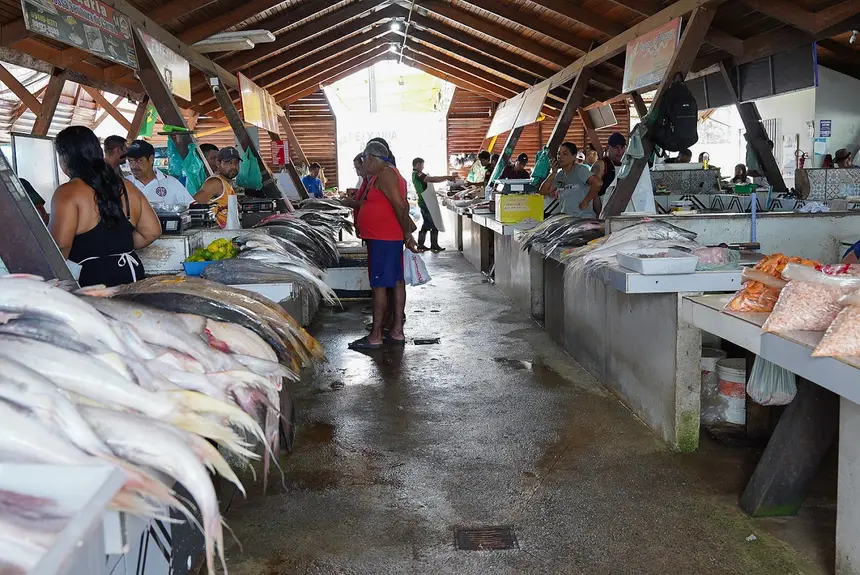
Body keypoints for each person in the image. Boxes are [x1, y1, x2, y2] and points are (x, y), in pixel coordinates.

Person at [49, 126, 160, 287]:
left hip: (92, 283)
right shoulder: (127, 186)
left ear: (65, 157)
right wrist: (116, 248)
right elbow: (152, 232)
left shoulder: (68, 192)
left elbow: (60, 246)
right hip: (131, 275)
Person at [349, 141, 418, 350]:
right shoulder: (378, 176)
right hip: (385, 239)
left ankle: (376, 335)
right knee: (394, 282)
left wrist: (407, 233)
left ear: (372, 158)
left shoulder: (386, 174)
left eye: (364, 160)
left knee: (380, 286)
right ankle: (395, 331)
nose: (363, 164)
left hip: (385, 239)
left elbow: (400, 205)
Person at [539, 142, 602, 218]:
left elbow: (598, 183)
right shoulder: (560, 175)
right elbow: (543, 192)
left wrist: (585, 202)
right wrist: (553, 173)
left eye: (565, 154)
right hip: (567, 219)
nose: (560, 157)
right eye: (559, 154)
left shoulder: (580, 170)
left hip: (583, 219)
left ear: (574, 156)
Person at [124, 140, 194, 206]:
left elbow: (190, 206)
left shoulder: (171, 183)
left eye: (138, 160)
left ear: (151, 159)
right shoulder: (124, 183)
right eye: (130, 161)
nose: (133, 166)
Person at [412, 157, 455, 252]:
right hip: (425, 202)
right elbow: (431, 179)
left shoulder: (416, 174)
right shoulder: (417, 174)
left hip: (425, 202)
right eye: (422, 164)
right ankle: (428, 244)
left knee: (429, 223)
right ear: (418, 164)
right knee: (431, 223)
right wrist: (446, 177)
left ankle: (424, 244)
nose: (423, 166)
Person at [193, 147, 240, 228]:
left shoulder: (227, 183)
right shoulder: (215, 182)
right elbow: (193, 205)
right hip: (216, 236)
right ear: (218, 164)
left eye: (236, 162)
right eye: (228, 162)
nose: (233, 166)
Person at [588, 132, 627, 216]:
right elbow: (593, 193)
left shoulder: (626, 165)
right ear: (608, 148)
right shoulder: (601, 165)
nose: (620, 151)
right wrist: (601, 216)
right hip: (603, 214)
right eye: (616, 148)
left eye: (622, 147)